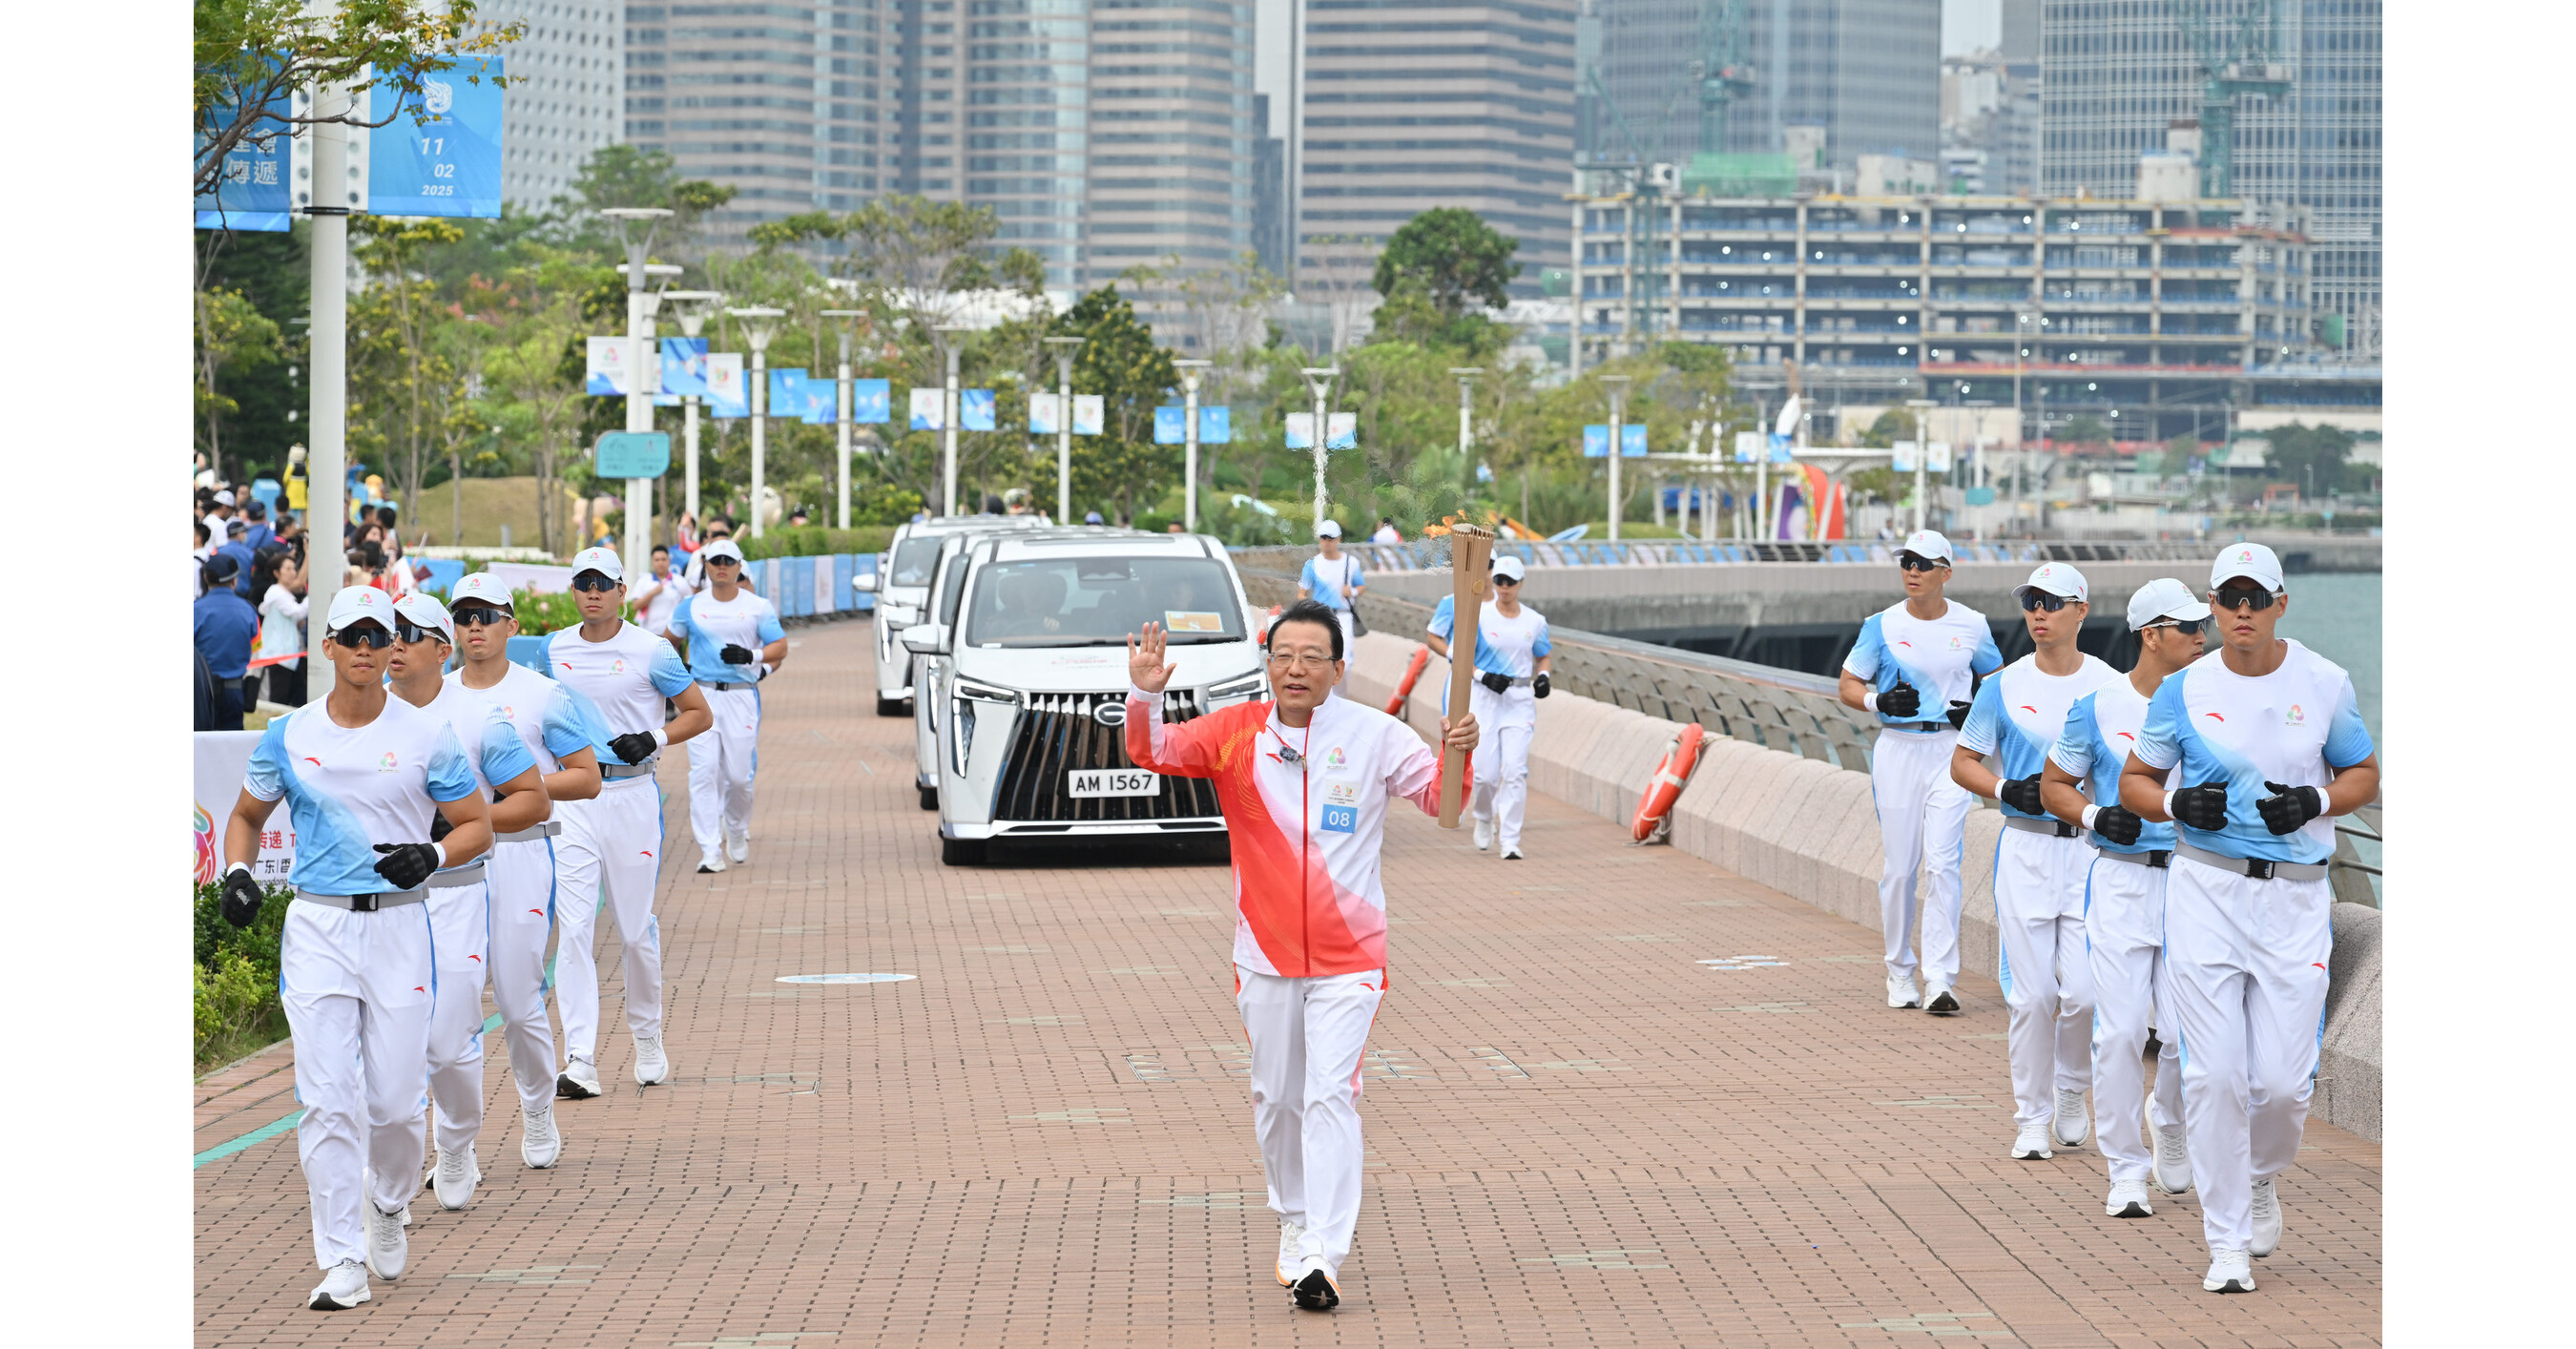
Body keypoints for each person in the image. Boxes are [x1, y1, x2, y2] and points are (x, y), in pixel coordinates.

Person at [1123, 599, 1478, 1313]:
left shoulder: (1377, 735)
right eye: (1284, 656)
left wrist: (1461, 750)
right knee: (1277, 1097)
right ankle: (1292, 1216)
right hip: (1264, 953)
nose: (1296, 669)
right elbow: (1151, 751)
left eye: (1312, 657)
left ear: (1338, 669)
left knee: (1330, 1095)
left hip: (1352, 957)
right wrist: (1145, 693)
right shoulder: (1234, 735)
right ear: (1269, 663)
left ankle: (1323, 1251)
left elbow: (1445, 802)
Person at [218, 586, 492, 1311]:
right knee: (328, 1100)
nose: (368, 647)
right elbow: (247, 815)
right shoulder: (289, 735)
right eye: (353, 636)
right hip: (318, 930)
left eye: (380, 635)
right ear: (328, 646)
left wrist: (432, 855)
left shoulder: (427, 734)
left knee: (398, 1106)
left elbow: (476, 826)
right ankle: (340, 1258)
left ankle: (390, 1201)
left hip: (402, 925)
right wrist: (238, 872)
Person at [2119, 543, 2378, 1295]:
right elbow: (2137, 779)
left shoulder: (2323, 682)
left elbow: (2362, 770)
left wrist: (2316, 801)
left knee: (2284, 1085)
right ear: (2213, 606)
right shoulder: (2183, 689)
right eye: (2227, 598)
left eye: (2254, 598)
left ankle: (2260, 1175)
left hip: (2295, 900)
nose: (2240, 611)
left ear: (2280, 605)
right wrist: (2173, 805)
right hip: (2207, 892)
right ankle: (2225, 1240)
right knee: (2216, 1077)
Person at [2042, 577, 2209, 1220]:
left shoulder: (2213, 700)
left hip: (2195, 879)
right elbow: (2056, 784)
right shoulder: (2098, 706)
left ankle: (2168, 1118)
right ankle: (2125, 1169)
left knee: (2179, 1032)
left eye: (2203, 625)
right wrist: (2091, 817)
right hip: (2120, 880)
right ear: (2150, 635)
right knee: (2116, 1036)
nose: (2202, 636)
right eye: (2187, 627)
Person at [384, 593, 553, 1209]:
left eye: (410, 634)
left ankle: (465, 1136)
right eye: (387, 633)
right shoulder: (360, 719)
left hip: (458, 890)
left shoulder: (483, 720)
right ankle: (392, 1181)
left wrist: (458, 826)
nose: (394, 645)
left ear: (440, 647)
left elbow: (535, 800)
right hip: (383, 903)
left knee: (457, 1035)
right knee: (394, 1040)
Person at [1950, 563, 2120, 1162]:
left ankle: (2072, 1089)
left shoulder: (2109, 686)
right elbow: (1964, 760)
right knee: (2030, 997)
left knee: (2082, 994)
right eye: (2031, 602)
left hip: (2088, 853)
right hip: (2024, 849)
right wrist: (2003, 790)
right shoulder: (2002, 684)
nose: (2039, 612)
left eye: (2051, 602)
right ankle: (2031, 1117)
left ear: (2082, 610)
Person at [445, 572, 607, 1170]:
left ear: (512, 625)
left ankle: (537, 1106)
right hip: (453, 861)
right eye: (464, 616)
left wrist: (519, 787)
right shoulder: (435, 697)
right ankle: (454, 1143)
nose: (476, 627)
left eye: (487, 616)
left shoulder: (543, 695)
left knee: (516, 1000)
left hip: (519, 851)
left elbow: (587, 777)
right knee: (450, 1006)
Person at [544, 546, 711, 1097]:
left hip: (633, 795)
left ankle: (646, 1035)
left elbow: (698, 713)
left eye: (603, 582)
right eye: (582, 581)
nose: (593, 590)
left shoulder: (651, 649)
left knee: (634, 927)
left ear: (621, 591)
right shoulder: (555, 649)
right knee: (572, 928)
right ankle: (580, 1057)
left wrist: (655, 737)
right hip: (574, 801)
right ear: (573, 590)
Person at [1838, 529, 2003, 1014]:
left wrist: (1972, 710)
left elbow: (1996, 681)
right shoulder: (1880, 625)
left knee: (1944, 864)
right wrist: (1877, 700)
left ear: (1945, 573)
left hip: (1950, 752)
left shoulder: (1973, 625)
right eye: (1907, 561)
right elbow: (1848, 684)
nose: (1912, 570)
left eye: (1923, 564)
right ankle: (1898, 971)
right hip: (1898, 748)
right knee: (1900, 869)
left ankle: (1940, 980)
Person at [667, 538, 786, 873]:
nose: (721, 566)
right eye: (715, 560)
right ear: (706, 566)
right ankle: (709, 849)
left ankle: (735, 828)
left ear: (738, 567)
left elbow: (781, 647)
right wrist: (678, 671)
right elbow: (665, 643)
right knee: (703, 772)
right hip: (701, 697)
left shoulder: (757, 606)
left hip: (740, 696)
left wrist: (753, 656)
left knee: (738, 777)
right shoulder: (689, 606)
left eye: (728, 561)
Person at [1423, 553, 1551, 859]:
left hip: (1518, 701)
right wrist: (1482, 675)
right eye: (1500, 581)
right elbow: (1458, 653)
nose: (1504, 586)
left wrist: (1544, 677)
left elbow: (1542, 655)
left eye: (1510, 582)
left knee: (1515, 771)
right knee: (1483, 774)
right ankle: (1483, 816)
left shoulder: (1535, 621)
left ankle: (1510, 840)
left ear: (1520, 584)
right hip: (1483, 697)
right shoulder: (1476, 614)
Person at [1296, 522, 1365, 687]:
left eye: (1331, 538)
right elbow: (1302, 591)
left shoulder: (1351, 563)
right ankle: (1322, 696)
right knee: (1319, 658)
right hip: (1321, 617)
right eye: (1323, 538)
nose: (1327, 542)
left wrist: (1353, 592)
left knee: (1344, 661)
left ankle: (1338, 698)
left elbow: (1360, 586)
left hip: (1343, 615)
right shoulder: (1312, 564)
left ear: (1339, 539)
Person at [196, 553, 260, 729]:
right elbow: (256, 652)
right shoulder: (249, 611)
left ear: (206, 578)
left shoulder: (195, 610)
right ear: (234, 581)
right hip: (234, 691)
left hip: (199, 692)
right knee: (230, 746)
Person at [254, 550, 311, 708]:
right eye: (288, 569)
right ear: (276, 573)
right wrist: (313, 596)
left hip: (288, 656)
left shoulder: (283, 593)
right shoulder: (276, 592)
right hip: (278, 657)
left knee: (290, 701)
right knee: (277, 701)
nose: (293, 572)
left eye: (294, 568)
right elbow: (297, 612)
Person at [630, 544, 694, 641]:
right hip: (648, 634)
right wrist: (652, 593)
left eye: (663, 559)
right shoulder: (644, 581)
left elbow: (689, 605)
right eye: (657, 560)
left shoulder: (680, 581)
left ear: (669, 560)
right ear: (652, 562)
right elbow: (635, 606)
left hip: (672, 636)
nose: (660, 563)